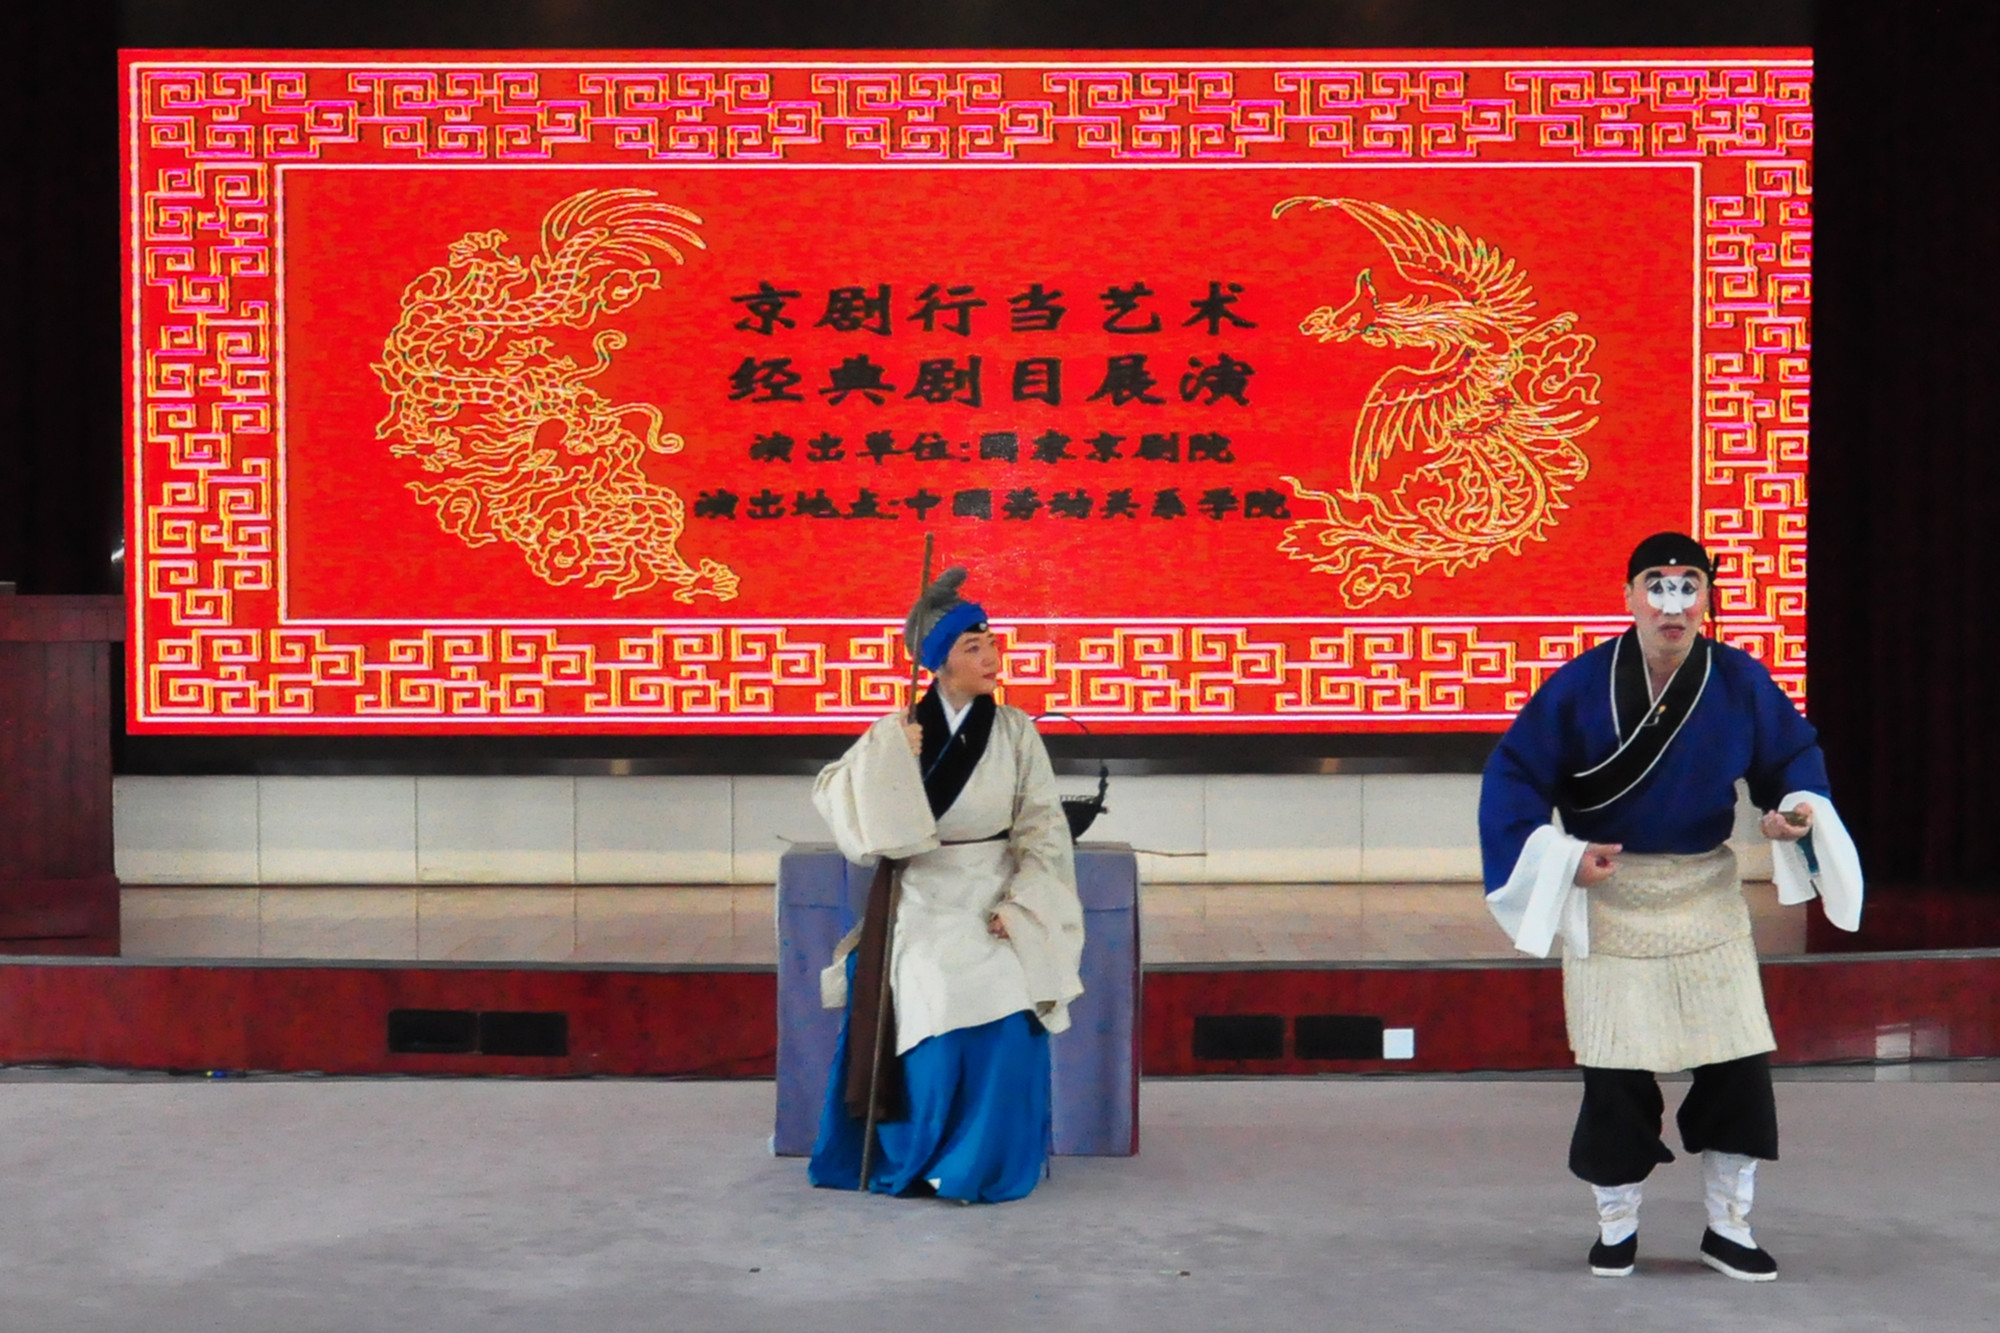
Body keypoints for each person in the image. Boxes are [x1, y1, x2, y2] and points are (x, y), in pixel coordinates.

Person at [1478, 532, 1863, 1282]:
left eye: (1690, 586)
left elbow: (1792, 761)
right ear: (1628, 598)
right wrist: (1561, 858)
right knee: (1616, 1073)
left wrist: (1795, 811)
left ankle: (1730, 1225)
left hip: (1705, 898)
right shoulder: (1580, 686)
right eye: (1657, 585)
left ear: (1707, 602)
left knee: (1738, 1066)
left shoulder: (1740, 681)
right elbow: (1515, 777)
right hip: (1611, 893)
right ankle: (1615, 1224)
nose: (1673, 604)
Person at [807, 566, 1085, 1202]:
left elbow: (1042, 828)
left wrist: (1022, 901)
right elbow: (834, 796)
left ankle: (979, 1162)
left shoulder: (1016, 731)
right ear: (937, 665)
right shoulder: (895, 731)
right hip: (923, 895)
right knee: (932, 983)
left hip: (993, 888)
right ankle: (920, 1156)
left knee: (1010, 988)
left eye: (991, 642)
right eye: (971, 647)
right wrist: (888, 762)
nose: (991, 657)